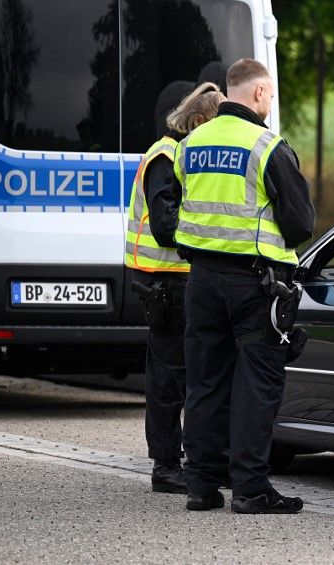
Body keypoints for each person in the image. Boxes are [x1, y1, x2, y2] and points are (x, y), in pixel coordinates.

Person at [174, 58, 315, 514]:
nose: (270, 104)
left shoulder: (190, 144)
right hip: (256, 285)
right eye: (270, 96)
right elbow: (300, 223)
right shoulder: (266, 146)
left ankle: (200, 485)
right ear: (257, 94)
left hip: (201, 281)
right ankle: (251, 489)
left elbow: (184, 203)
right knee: (257, 383)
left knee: (205, 381)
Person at [125, 82, 225, 493]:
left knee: (185, 372)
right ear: (198, 121)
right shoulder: (165, 157)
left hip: (176, 279)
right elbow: (167, 228)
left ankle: (184, 460)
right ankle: (166, 465)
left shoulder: (180, 154)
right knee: (168, 377)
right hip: (163, 279)